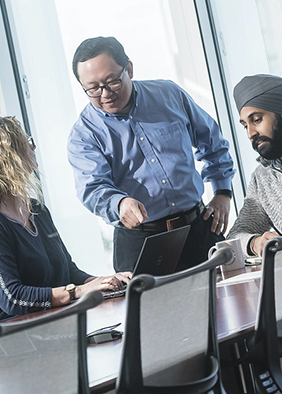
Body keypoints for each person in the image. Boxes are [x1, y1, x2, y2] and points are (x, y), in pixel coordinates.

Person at [67, 36, 235, 272]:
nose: (105, 94)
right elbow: (92, 188)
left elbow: (212, 140)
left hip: (198, 228)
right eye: (93, 88)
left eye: (112, 82)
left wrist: (223, 192)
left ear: (129, 69)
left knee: (225, 304)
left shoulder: (169, 94)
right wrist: (119, 203)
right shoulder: (84, 135)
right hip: (141, 243)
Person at [0, 116, 131, 321]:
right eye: (27, 142)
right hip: (14, 335)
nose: (33, 146)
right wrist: (79, 291)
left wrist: (103, 281)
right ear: (9, 156)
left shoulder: (37, 209)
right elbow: (13, 299)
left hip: (53, 322)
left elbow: (69, 273)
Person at [227, 74, 282, 257]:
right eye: (245, 125)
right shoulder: (262, 179)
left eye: (257, 120)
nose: (250, 134)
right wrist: (256, 243)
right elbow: (235, 236)